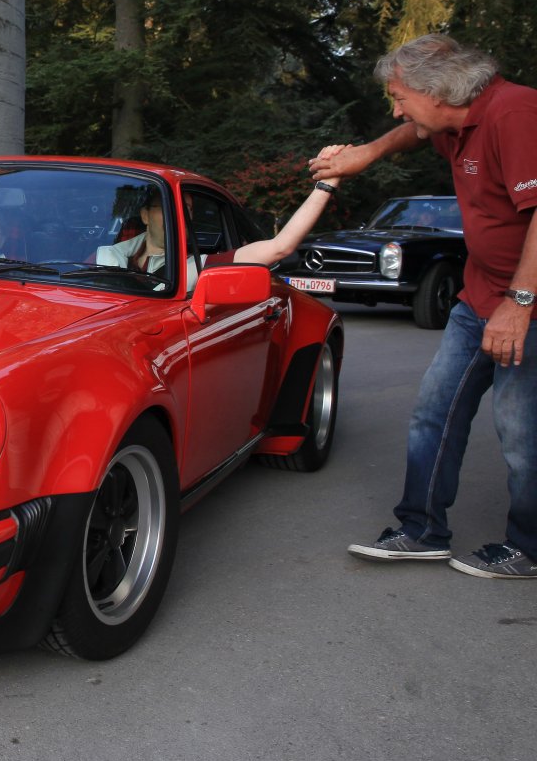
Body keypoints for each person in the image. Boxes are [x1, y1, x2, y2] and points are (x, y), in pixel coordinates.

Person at [314, 34, 537, 578]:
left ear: (438, 91)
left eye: (400, 97)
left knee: (521, 433)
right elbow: (412, 133)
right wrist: (366, 153)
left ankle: (530, 547)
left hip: (525, 305)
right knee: (434, 413)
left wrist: (519, 304)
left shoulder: (514, 113)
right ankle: (421, 530)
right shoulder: (454, 123)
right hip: (478, 297)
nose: (396, 110)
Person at [95, 164, 346, 288]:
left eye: (187, 209)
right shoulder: (101, 257)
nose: (179, 215)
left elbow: (280, 247)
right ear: (145, 216)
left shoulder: (201, 266)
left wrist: (326, 184)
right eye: (167, 207)